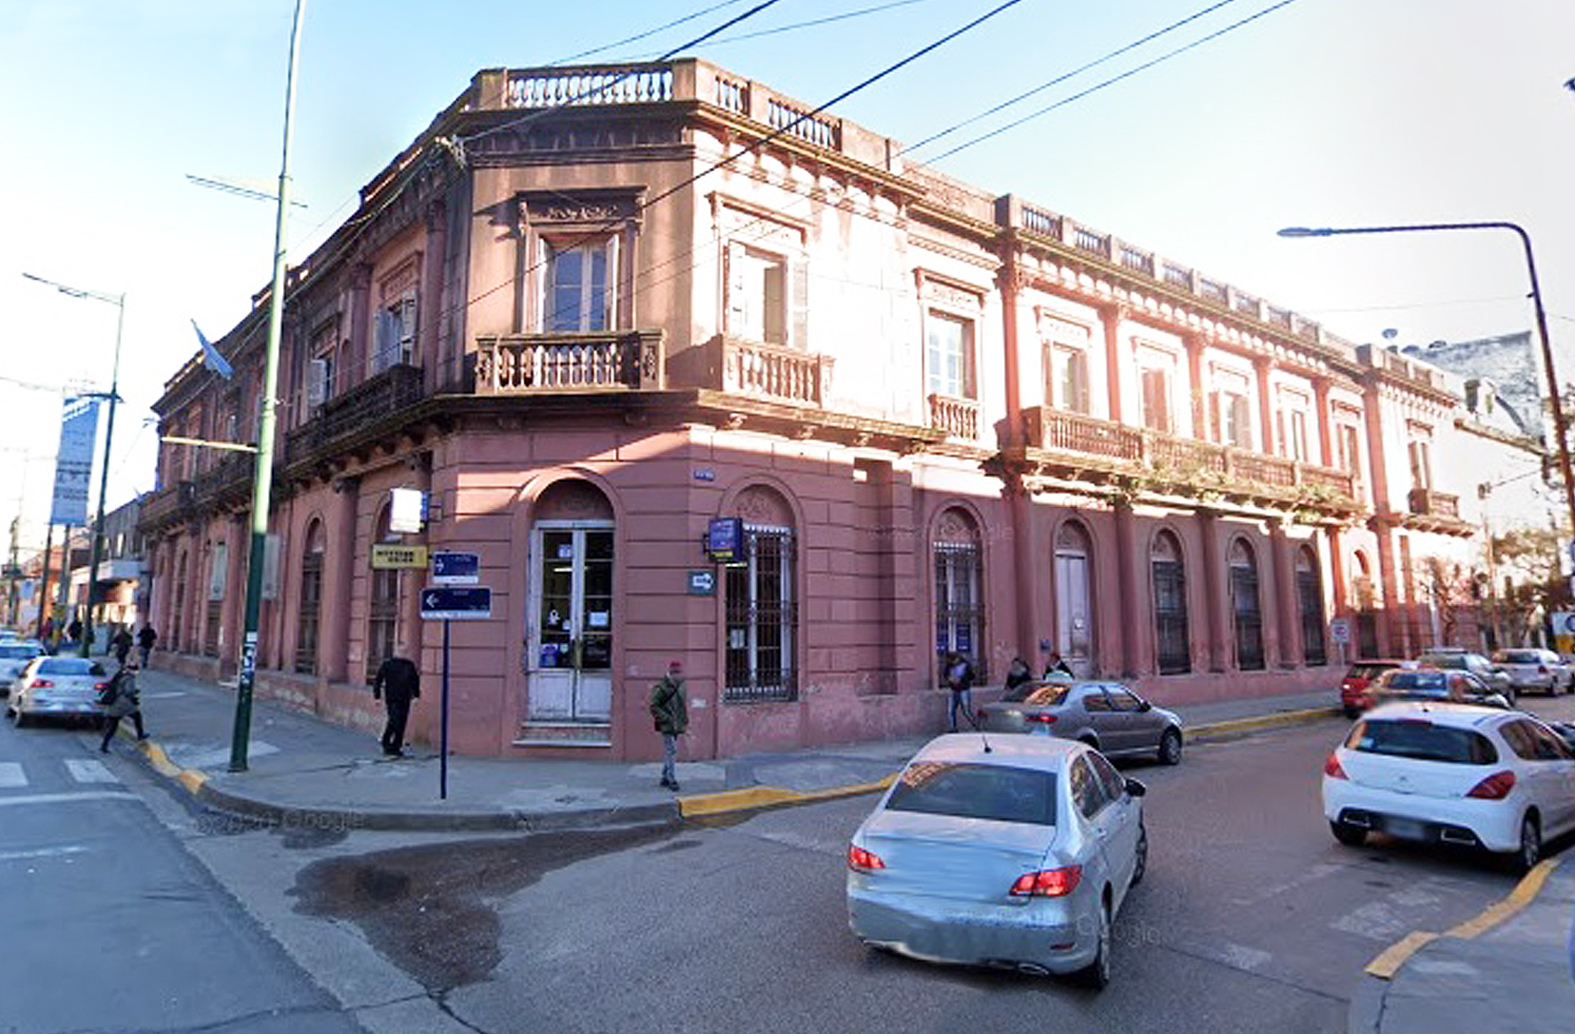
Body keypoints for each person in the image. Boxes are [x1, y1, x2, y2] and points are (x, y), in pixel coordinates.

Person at [371, 651, 420, 757]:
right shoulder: (388, 664)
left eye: (404, 651)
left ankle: (396, 746)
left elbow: (415, 680)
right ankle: (386, 741)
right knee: (394, 719)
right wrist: (377, 696)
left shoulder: (409, 665)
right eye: (401, 651)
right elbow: (378, 680)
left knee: (402, 722)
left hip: (405, 697)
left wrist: (416, 695)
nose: (403, 653)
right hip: (392, 697)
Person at [649, 660, 688, 791]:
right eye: (675, 673)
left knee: (670, 751)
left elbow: (682, 706)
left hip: (677, 724)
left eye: (679, 673)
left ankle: (665, 777)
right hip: (667, 725)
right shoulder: (661, 687)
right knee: (672, 750)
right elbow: (654, 706)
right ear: (670, 673)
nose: (678, 675)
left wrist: (684, 721)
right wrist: (666, 719)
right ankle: (671, 779)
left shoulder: (682, 685)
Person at [99, 661, 146, 753]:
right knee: (137, 716)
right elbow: (129, 691)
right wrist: (136, 690)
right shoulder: (129, 678)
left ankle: (104, 745)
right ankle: (140, 734)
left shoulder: (119, 675)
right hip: (123, 703)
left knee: (113, 726)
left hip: (114, 703)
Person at [945, 652, 975, 732]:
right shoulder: (949, 665)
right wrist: (950, 679)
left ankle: (975, 726)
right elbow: (945, 674)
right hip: (953, 689)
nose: (952, 662)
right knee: (950, 710)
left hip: (963, 689)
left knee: (966, 710)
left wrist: (961, 680)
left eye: (953, 660)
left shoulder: (966, 665)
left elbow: (972, 676)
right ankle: (952, 728)